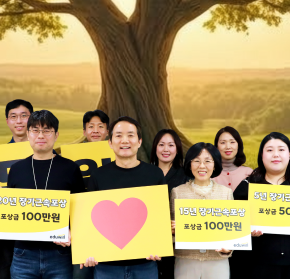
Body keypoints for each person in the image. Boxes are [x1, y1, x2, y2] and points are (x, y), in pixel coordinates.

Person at [0, 110, 84, 279]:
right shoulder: (16, 169)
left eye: (47, 130)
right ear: (28, 134)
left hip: (60, 254)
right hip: (23, 255)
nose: (41, 135)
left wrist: (72, 231)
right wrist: (0, 197)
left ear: (56, 135)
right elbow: (12, 211)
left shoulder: (71, 168)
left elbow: (80, 211)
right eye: (35, 130)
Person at [83, 116, 166, 279]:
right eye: (119, 135)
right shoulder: (98, 175)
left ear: (139, 141)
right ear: (110, 142)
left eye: (130, 135)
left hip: (145, 265)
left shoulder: (155, 174)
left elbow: (160, 216)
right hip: (107, 267)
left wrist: (159, 246)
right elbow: (88, 219)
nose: (125, 140)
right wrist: (87, 250)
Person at [233, 132, 290, 279]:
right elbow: (234, 225)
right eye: (269, 150)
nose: (276, 154)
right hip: (259, 262)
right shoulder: (248, 186)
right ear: (262, 155)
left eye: (281, 149)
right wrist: (247, 231)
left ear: (289, 154)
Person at [170, 143, 232, 279]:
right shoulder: (177, 192)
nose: (202, 166)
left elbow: (231, 230)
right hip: (185, 261)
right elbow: (170, 233)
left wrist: (228, 248)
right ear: (189, 164)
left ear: (215, 165)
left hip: (217, 262)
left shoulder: (226, 193)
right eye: (196, 161)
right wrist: (173, 231)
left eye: (208, 161)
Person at [0, 99, 34, 279]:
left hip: (40, 221)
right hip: (10, 227)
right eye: (13, 117)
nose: (19, 121)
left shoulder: (46, 152)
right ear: (7, 121)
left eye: (24, 116)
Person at [150, 129, 187, 279]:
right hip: (150, 239)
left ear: (177, 149)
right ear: (155, 148)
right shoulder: (145, 173)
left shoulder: (186, 175)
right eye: (161, 145)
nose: (166, 149)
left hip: (176, 242)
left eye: (171, 145)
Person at [213, 126, 252, 191]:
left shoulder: (249, 173)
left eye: (232, 142)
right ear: (216, 146)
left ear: (238, 145)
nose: (228, 147)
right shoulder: (209, 174)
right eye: (223, 143)